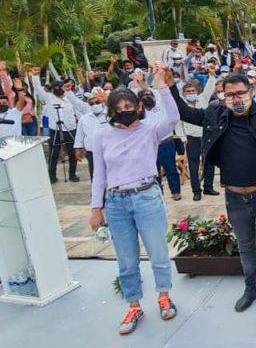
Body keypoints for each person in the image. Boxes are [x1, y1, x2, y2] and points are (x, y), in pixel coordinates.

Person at [170, 56, 256, 313]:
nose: (236, 99)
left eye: (241, 93)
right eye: (230, 95)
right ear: (223, 96)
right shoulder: (215, 115)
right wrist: (170, 85)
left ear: (251, 92)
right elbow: (184, 112)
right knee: (245, 245)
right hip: (235, 198)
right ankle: (252, 287)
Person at [88, 63, 178, 335]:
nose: (126, 111)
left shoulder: (150, 129)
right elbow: (99, 174)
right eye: (120, 108)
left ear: (139, 107)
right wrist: (96, 207)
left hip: (146, 197)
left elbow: (172, 119)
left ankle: (164, 295)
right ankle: (134, 304)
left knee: (158, 253)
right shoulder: (102, 134)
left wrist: (162, 86)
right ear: (112, 110)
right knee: (126, 259)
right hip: (116, 203)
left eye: (131, 106)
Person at [31, 68, 90, 183]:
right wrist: (35, 76)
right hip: (56, 129)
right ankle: (52, 176)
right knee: (54, 153)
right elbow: (38, 89)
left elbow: (80, 106)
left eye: (61, 87)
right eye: (56, 88)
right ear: (53, 89)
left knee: (72, 153)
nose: (60, 90)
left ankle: (72, 174)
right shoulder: (49, 97)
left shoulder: (69, 96)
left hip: (70, 128)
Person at [73, 89, 107, 179]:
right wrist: (78, 149)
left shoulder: (110, 116)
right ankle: (96, 193)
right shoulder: (84, 119)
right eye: (92, 103)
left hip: (107, 150)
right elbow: (79, 136)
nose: (95, 105)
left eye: (97, 102)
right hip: (92, 152)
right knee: (94, 175)